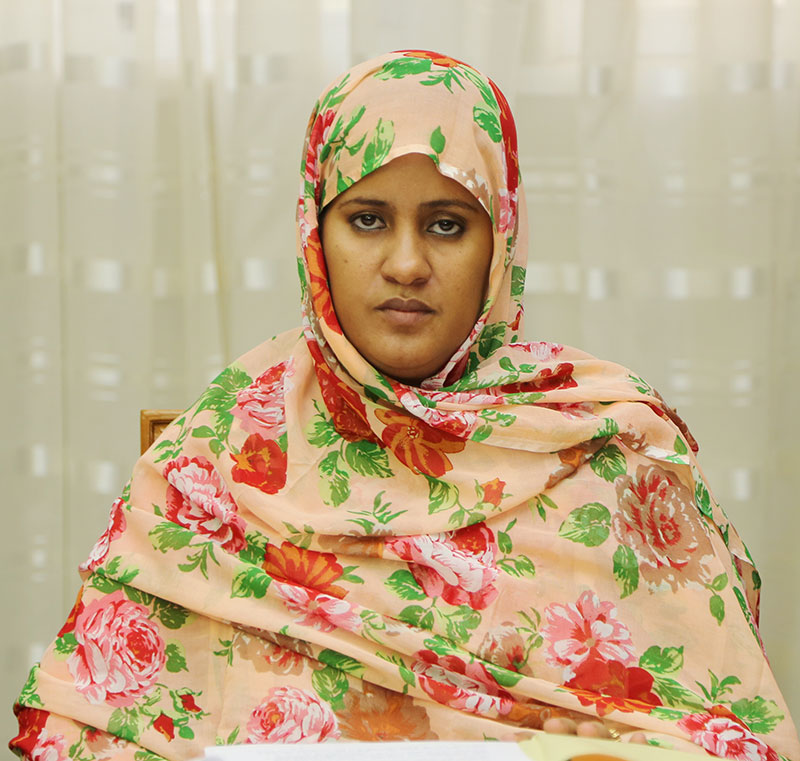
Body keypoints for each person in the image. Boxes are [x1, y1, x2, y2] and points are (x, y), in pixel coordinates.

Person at [10, 50, 799, 761]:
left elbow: (731, 734)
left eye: (447, 225)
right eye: (368, 220)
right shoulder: (219, 446)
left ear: (501, 243)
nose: (408, 263)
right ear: (316, 233)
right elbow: (89, 732)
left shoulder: (608, 445)